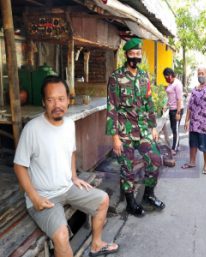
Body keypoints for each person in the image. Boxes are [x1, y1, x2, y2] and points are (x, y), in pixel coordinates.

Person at [13, 76, 118, 257]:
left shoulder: (69, 124)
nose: (56, 105)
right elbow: (19, 166)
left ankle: (96, 244)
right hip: (44, 196)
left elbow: (71, 151)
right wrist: (34, 197)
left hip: (68, 188)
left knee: (103, 200)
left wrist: (74, 177)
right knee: (61, 236)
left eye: (61, 99)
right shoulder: (32, 129)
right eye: (50, 99)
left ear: (68, 100)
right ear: (43, 102)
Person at [106, 37, 165, 217]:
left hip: (142, 130)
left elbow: (148, 102)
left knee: (155, 159)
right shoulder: (116, 78)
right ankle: (131, 202)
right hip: (124, 132)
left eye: (138, 54)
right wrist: (114, 137)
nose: (135, 57)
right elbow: (112, 108)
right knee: (127, 167)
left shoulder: (144, 77)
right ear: (126, 55)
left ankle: (148, 195)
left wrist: (153, 126)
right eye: (132, 54)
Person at [182, 66, 206, 174]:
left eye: (202, 73)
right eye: (199, 73)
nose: (200, 75)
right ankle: (192, 162)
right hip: (194, 123)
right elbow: (190, 106)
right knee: (193, 144)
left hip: (205, 123)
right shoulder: (194, 89)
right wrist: (187, 120)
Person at [163, 68, 184, 155]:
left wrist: (178, 113)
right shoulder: (170, 84)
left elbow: (179, 99)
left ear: (171, 75)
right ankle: (177, 145)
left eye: (167, 76)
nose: (166, 78)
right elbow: (170, 97)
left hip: (177, 109)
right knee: (173, 128)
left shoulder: (177, 84)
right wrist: (166, 105)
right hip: (171, 109)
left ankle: (174, 149)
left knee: (175, 130)